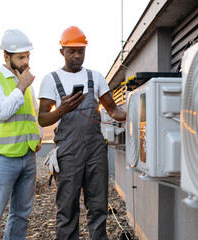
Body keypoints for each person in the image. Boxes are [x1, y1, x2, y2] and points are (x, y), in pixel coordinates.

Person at [38, 26, 126, 240]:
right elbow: (42, 118)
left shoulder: (95, 77)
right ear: (62, 51)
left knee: (98, 207)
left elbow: (113, 110)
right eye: (72, 51)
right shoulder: (51, 80)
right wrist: (62, 109)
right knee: (67, 209)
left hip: (96, 150)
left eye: (81, 51)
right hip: (68, 151)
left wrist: (140, 112)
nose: (77, 56)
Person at [0, 29, 43, 240]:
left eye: (28, 56)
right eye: (21, 57)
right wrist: (22, 85)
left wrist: (38, 135)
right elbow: (4, 112)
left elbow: (33, 113)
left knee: (21, 215)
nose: (26, 62)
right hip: (2, 159)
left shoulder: (26, 84)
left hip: (27, 157)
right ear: (6, 56)